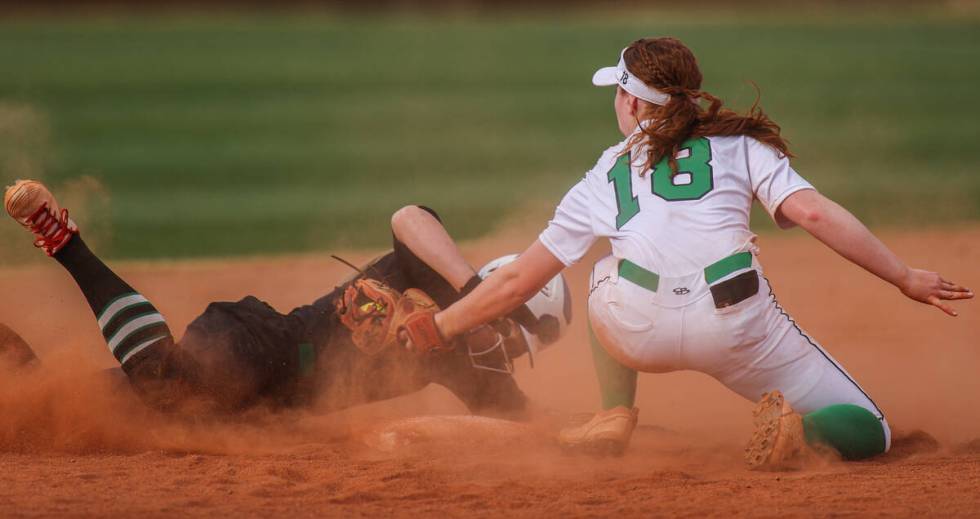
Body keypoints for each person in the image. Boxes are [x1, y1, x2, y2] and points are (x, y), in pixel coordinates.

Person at [397, 37, 974, 468]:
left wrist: (441, 326)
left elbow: (517, 281)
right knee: (872, 430)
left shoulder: (604, 172)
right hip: (738, 325)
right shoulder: (741, 144)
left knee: (605, 267)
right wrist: (903, 276)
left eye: (618, 91)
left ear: (630, 102)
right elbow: (816, 214)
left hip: (635, 328)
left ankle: (614, 412)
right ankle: (802, 435)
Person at [3, 179, 562, 418]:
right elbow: (410, 217)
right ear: (502, 290)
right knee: (165, 385)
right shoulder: (434, 265)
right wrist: (475, 294)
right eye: (513, 333)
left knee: (51, 406)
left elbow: (541, 431)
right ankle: (64, 241)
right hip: (258, 342)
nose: (506, 350)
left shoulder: (475, 368)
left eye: (518, 350)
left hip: (258, 411)